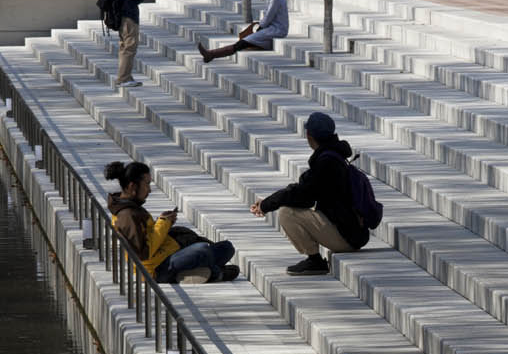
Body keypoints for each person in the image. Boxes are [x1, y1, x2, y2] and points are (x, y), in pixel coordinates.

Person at [250, 110, 371, 275]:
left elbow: (303, 196)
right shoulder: (334, 156)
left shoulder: (327, 162)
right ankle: (314, 260)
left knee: (287, 213)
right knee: (289, 206)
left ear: (309, 136)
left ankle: (314, 260)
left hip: (346, 237)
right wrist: (269, 202)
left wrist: (267, 204)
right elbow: (305, 189)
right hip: (353, 231)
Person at [105, 160, 238, 285]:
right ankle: (215, 273)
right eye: (147, 184)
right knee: (202, 250)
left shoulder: (132, 209)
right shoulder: (126, 216)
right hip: (155, 269)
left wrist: (165, 223)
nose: (149, 190)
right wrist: (163, 223)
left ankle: (193, 273)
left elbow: (150, 235)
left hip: (167, 254)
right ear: (132, 186)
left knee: (226, 248)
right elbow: (143, 254)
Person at [198, 0, 288, 63]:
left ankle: (211, 54)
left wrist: (260, 27)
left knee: (242, 43)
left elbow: (268, 17)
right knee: (244, 41)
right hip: (272, 28)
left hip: (277, 30)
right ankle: (211, 54)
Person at [113, 0, 145, 87]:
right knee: (129, 48)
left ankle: (126, 76)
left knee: (124, 47)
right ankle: (123, 78)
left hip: (121, 17)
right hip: (129, 18)